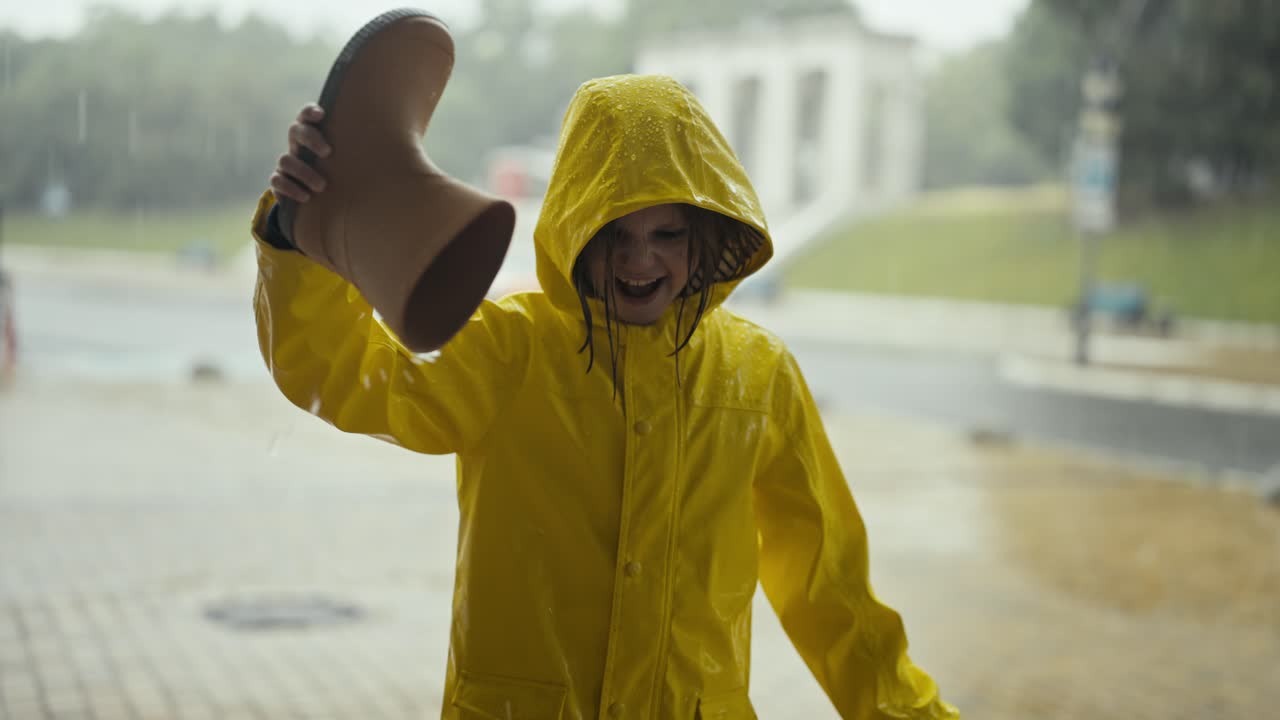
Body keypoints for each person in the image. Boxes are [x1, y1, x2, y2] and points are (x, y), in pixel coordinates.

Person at [252, 74, 957, 719]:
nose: (638, 259)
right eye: (612, 232)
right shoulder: (509, 350)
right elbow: (344, 376)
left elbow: (830, 588)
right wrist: (300, 232)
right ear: (572, 227)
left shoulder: (758, 376)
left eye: (667, 233)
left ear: (706, 233)